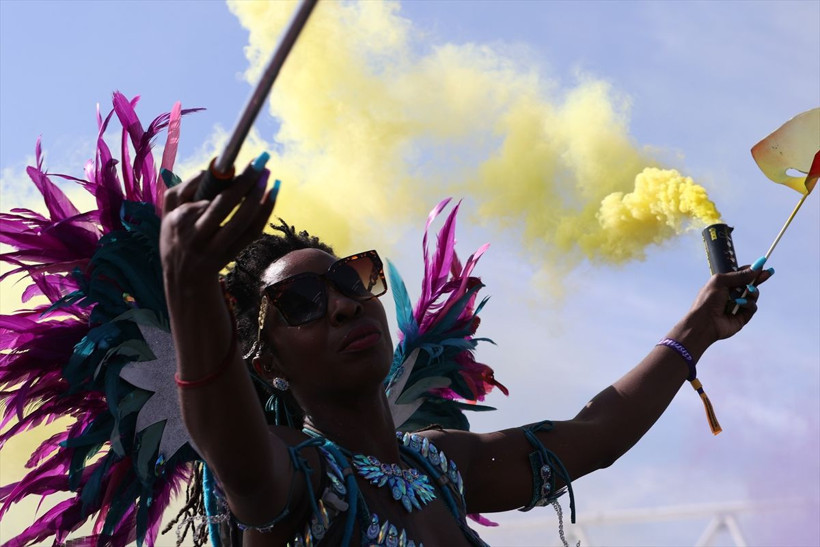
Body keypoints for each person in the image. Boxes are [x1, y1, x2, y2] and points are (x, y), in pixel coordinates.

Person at [159, 151, 772, 546]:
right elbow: (231, 447)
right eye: (299, 303)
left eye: (350, 278)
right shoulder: (297, 473)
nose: (343, 304)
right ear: (267, 365)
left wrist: (698, 327)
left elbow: (597, 435)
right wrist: (189, 288)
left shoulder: (439, 465)